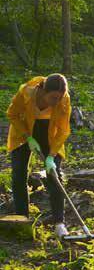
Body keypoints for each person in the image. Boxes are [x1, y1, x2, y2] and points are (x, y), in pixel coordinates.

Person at [6, 74, 71, 236]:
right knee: (19, 174)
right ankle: (23, 219)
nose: (56, 101)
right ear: (43, 91)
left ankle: (59, 223)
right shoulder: (26, 92)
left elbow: (63, 129)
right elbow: (12, 113)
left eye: (60, 97)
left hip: (49, 133)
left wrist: (51, 155)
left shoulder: (63, 99)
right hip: (24, 132)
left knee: (54, 174)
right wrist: (27, 136)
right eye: (53, 97)